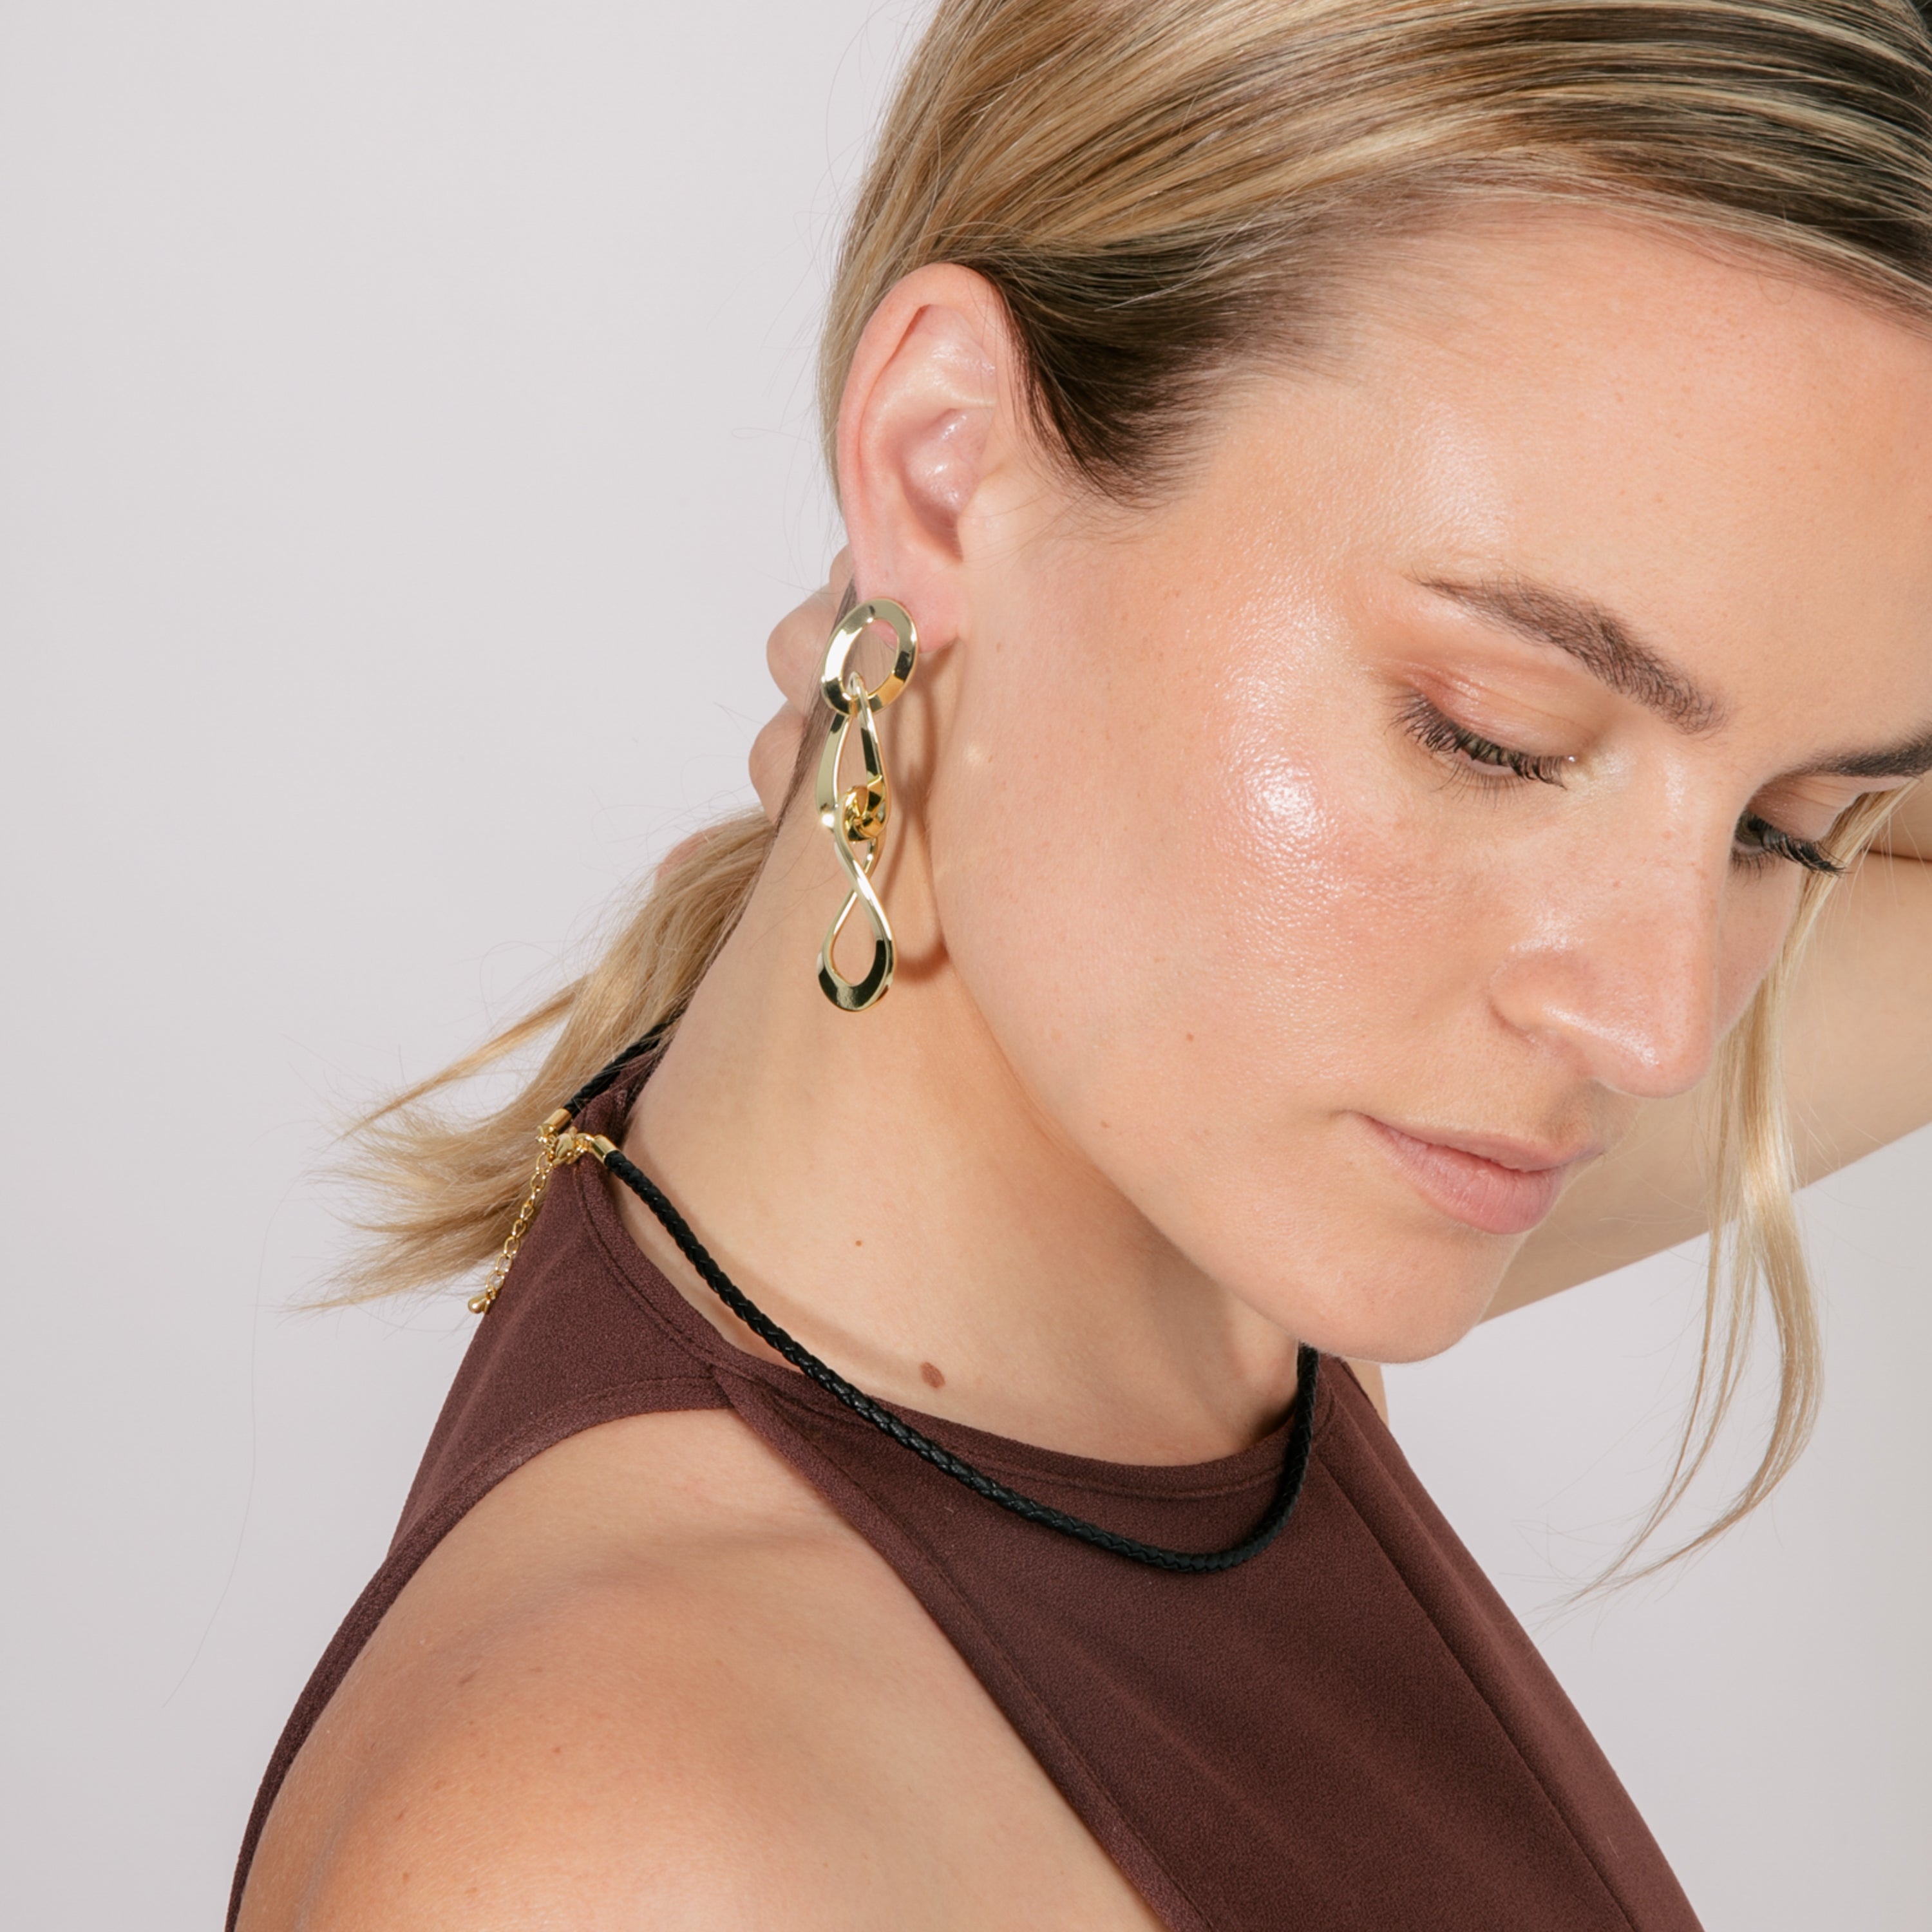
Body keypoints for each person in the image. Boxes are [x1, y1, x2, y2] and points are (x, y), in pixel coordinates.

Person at [231, 2, 1932, 1926]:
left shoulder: (1198, 1274)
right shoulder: (651, 1855)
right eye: (1490, 734)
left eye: (1791, 828)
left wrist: (916, 664)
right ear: (941, 459)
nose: (1657, 1025)